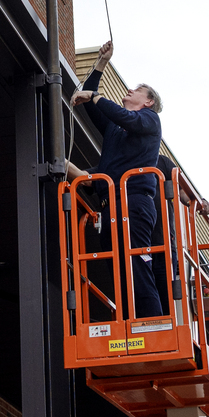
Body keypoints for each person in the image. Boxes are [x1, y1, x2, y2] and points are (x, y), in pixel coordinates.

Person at [67, 41, 169, 318]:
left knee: (136, 265)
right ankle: (130, 322)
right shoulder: (116, 127)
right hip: (110, 205)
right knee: (119, 271)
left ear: (148, 101)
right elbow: (90, 103)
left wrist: (97, 97)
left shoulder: (149, 119)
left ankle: (153, 325)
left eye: (137, 90)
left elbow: (118, 113)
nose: (130, 90)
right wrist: (101, 63)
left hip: (134, 203)